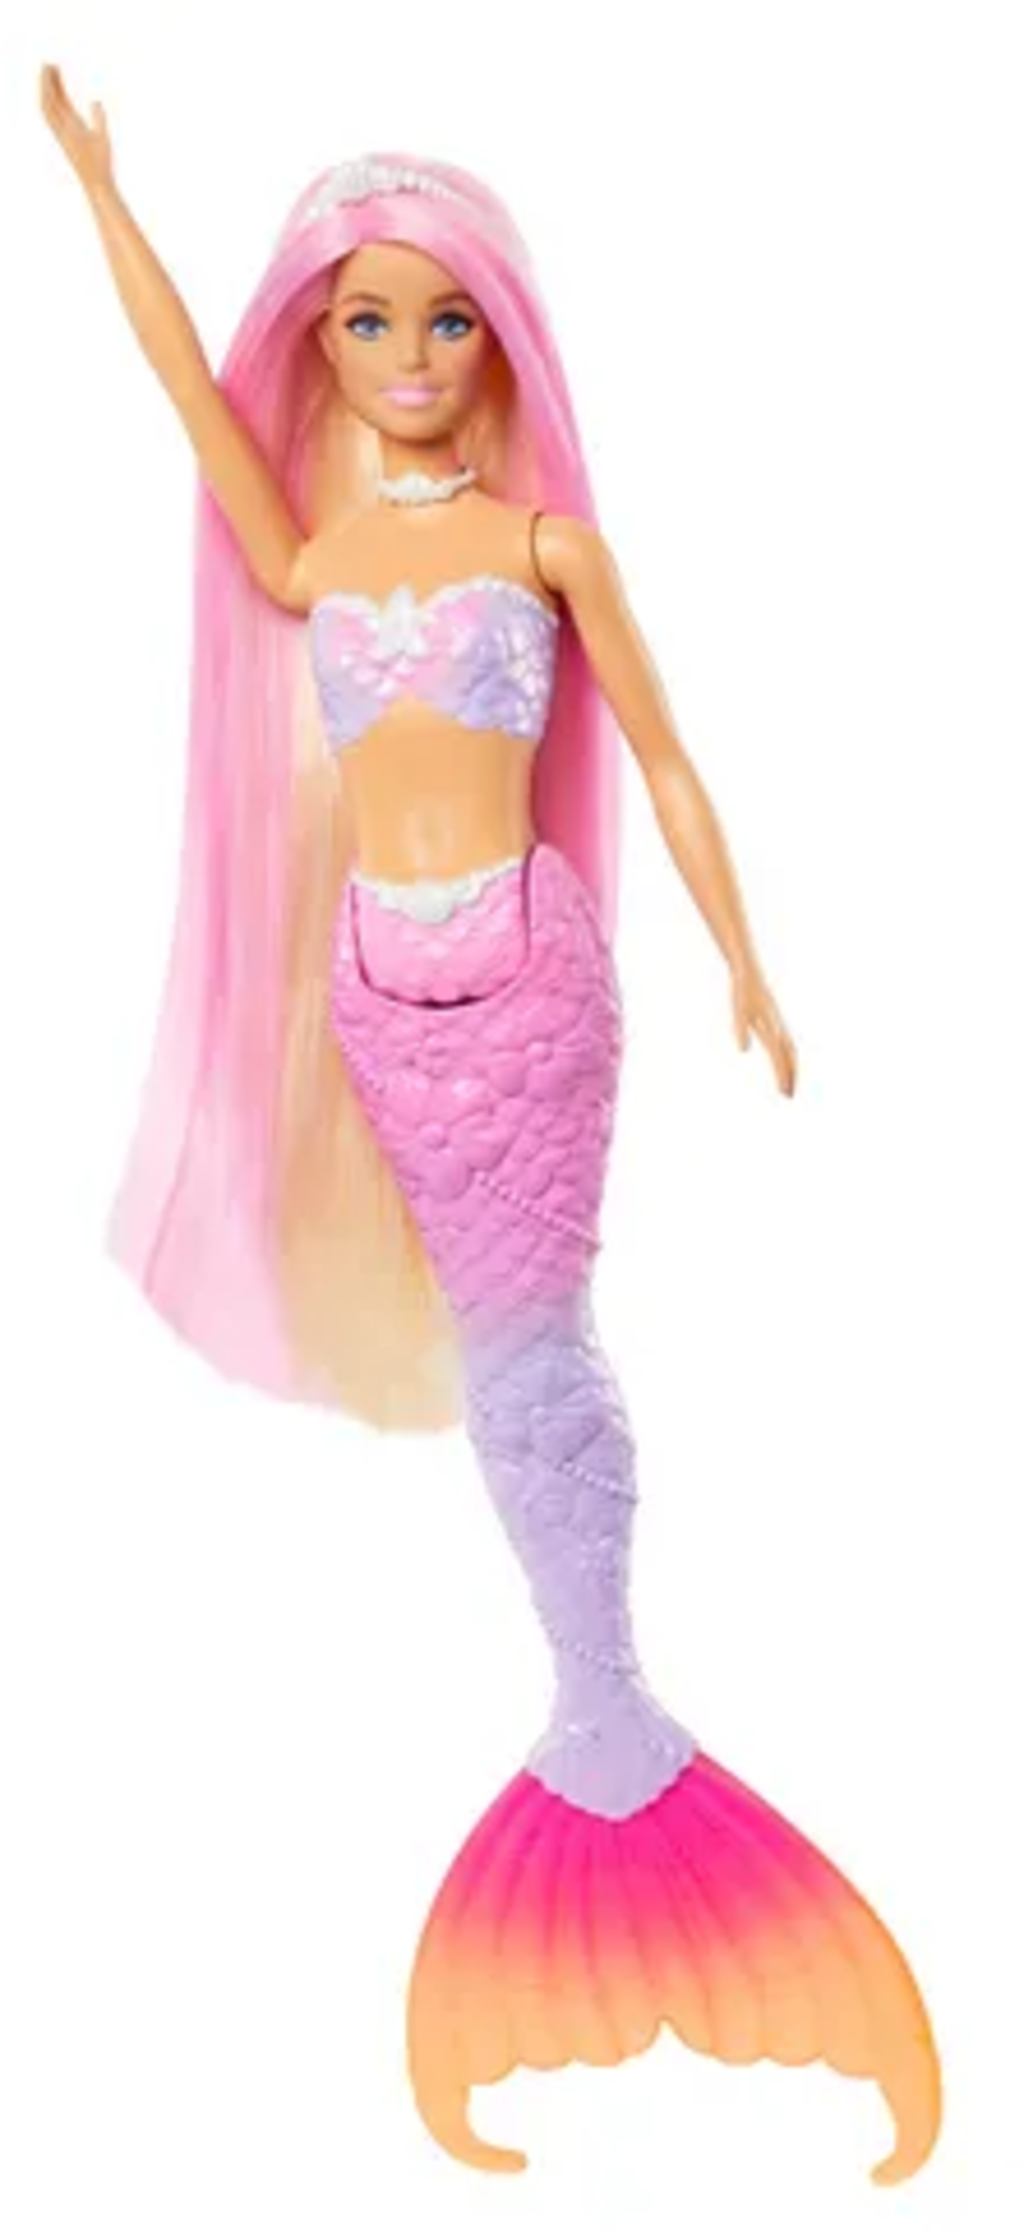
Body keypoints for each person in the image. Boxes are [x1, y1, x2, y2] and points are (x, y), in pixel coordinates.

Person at [40, 63, 941, 2184]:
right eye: (365, 319)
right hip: (383, 994)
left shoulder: (549, 546)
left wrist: (741, 952)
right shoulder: (316, 550)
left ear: (500, 337)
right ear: (321, 341)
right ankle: (596, 1719)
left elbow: (666, 752)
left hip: (530, 991)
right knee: (494, 1341)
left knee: (535, 1347)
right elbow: (184, 397)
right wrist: (100, 200)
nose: (407, 354)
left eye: (444, 318)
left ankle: (604, 1716)